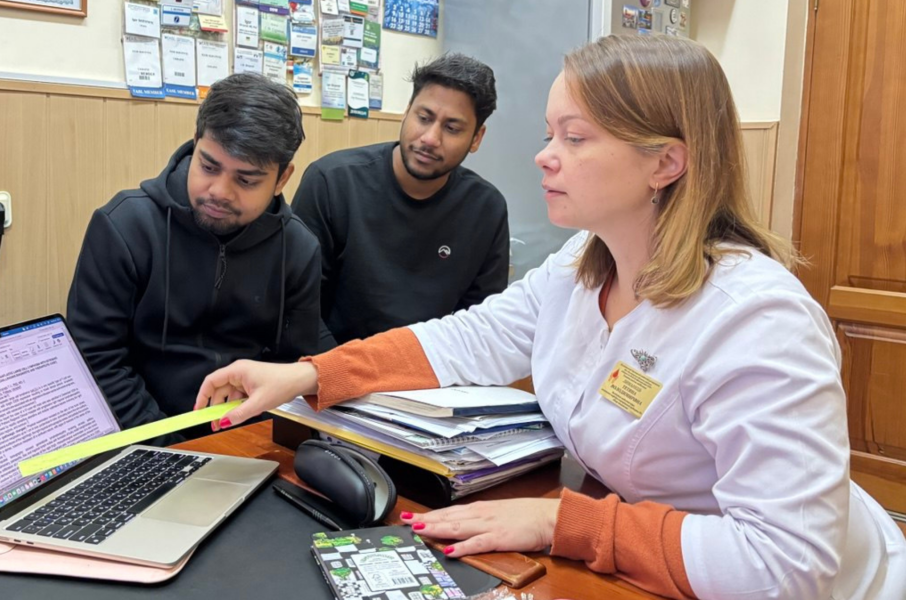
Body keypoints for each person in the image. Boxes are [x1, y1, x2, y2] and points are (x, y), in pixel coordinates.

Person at [194, 36, 905, 599]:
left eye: (575, 137)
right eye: (548, 133)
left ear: (665, 163)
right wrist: (308, 373)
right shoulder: (581, 263)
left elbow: (783, 565)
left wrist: (562, 520)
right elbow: (470, 337)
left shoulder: (759, 320)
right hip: (653, 559)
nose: (543, 156)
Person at [67, 73, 320, 443]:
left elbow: (294, 368)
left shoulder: (299, 248)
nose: (218, 191)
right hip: (137, 439)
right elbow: (96, 360)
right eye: (209, 166)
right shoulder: (123, 226)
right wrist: (171, 452)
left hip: (249, 439)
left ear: (282, 179)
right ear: (196, 143)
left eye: (246, 180)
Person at [291, 53, 509, 351]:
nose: (430, 138)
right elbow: (298, 309)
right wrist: (345, 376)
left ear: (476, 138)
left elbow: (480, 325)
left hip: (433, 379)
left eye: (452, 128)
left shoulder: (486, 209)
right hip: (330, 370)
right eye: (424, 117)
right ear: (407, 112)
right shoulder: (332, 182)